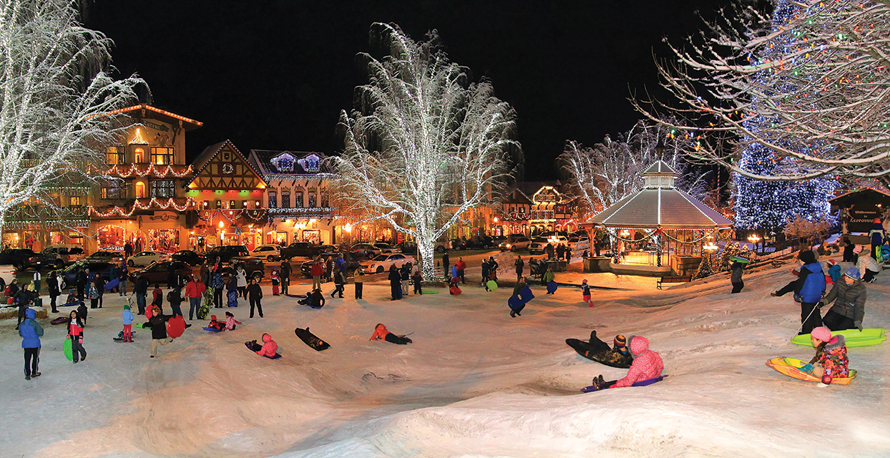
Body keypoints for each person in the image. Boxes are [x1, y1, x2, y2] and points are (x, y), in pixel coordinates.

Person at [774, 251, 826, 335]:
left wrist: (797, 294)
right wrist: (822, 291)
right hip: (817, 296)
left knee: (806, 315)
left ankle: (806, 332)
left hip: (807, 297)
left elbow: (800, 283)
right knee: (816, 314)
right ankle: (819, 329)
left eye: (801, 260)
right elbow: (823, 281)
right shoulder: (819, 268)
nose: (800, 262)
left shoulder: (805, 270)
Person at [590, 335, 663, 390]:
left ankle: (603, 385)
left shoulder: (638, 362)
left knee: (620, 382)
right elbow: (661, 365)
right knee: (621, 381)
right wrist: (656, 375)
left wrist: (614, 386)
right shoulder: (652, 353)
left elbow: (628, 381)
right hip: (651, 377)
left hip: (641, 380)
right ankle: (605, 383)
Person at [820, 267, 866, 331]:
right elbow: (832, 294)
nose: (846, 278)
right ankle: (838, 332)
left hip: (850, 312)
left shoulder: (861, 289)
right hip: (838, 308)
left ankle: (845, 330)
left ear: (854, 280)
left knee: (842, 327)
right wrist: (824, 301)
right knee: (827, 320)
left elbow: (859, 307)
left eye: (849, 277)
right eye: (846, 276)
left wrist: (858, 321)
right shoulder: (840, 282)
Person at [19, 308, 43, 379]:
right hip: (35, 343)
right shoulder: (35, 323)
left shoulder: (22, 324)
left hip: (26, 343)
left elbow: (20, 334)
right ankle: (34, 372)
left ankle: (27, 374)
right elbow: (40, 332)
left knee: (27, 359)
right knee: (35, 358)